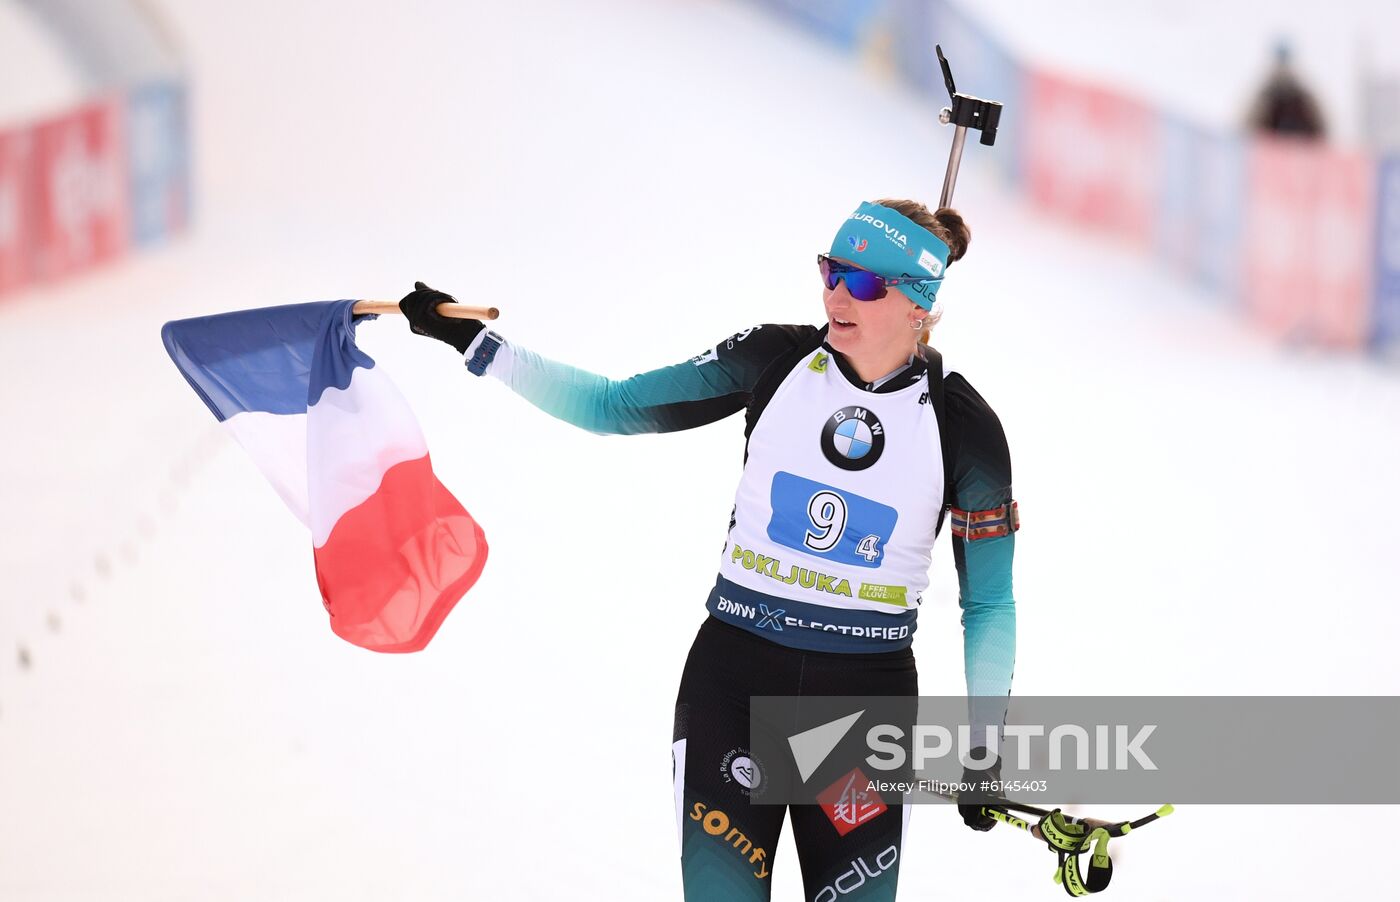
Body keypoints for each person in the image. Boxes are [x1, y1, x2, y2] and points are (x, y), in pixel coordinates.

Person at [398, 198, 1018, 901]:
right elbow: (614, 405)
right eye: (830, 270)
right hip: (735, 689)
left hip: (862, 711)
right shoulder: (772, 359)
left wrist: (985, 745)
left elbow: (989, 600)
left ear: (920, 303)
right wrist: (480, 347)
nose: (835, 294)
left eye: (865, 283)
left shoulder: (963, 426)